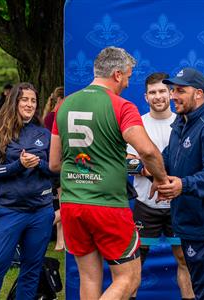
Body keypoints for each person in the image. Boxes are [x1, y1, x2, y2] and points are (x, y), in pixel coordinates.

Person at [49, 46, 169, 300]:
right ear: (116, 74)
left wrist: (86, 167)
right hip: (107, 205)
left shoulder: (65, 104)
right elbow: (148, 152)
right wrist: (160, 178)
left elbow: (54, 163)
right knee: (129, 277)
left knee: (90, 278)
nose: (127, 83)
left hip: (72, 203)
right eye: (127, 76)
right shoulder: (122, 106)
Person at [158, 67, 204, 300]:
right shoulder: (180, 125)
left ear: (198, 94)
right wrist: (148, 169)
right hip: (187, 220)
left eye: (180, 90)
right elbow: (167, 159)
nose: (173, 95)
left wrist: (182, 185)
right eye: (173, 90)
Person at [0, 82, 55, 299]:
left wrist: (38, 163)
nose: (29, 104)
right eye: (25, 99)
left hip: (40, 212)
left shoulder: (43, 134)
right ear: (14, 102)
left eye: (33, 100)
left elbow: (55, 169)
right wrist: (19, 165)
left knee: (31, 268)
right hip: (9, 211)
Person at [127, 72, 194, 300]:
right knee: (134, 265)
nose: (158, 96)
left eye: (162, 91)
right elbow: (126, 162)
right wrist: (152, 173)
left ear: (171, 93)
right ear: (145, 97)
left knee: (185, 259)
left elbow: (194, 162)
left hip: (179, 204)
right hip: (145, 205)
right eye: (152, 92)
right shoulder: (136, 124)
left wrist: (168, 181)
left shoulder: (185, 123)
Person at [43, 86, 65, 251]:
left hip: (53, 163)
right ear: (60, 100)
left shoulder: (48, 117)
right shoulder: (55, 117)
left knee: (61, 204)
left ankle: (60, 242)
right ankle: (35, 226)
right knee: (65, 207)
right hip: (58, 163)